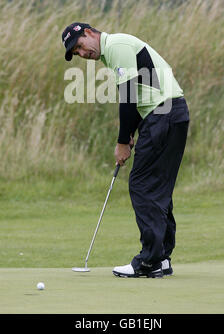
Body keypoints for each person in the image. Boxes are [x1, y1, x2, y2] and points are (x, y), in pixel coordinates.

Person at [62, 22, 190, 278]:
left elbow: (129, 94)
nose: (82, 54)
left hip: (163, 115)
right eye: (76, 53)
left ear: (89, 33)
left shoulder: (117, 45)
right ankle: (161, 257)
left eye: (79, 46)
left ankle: (149, 261)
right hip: (171, 113)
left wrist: (122, 141)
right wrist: (132, 131)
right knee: (158, 186)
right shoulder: (115, 52)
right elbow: (145, 90)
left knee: (142, 184)